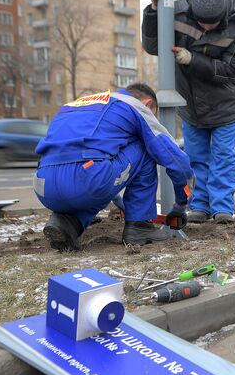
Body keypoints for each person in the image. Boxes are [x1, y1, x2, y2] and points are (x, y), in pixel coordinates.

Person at [33, 83, 194, 251]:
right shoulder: (134, 106)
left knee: (93, 173)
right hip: (88, 180)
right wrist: (182, 204)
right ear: (147, 104)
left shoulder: (77, 104)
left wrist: (124, 204)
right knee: (146, 146)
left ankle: (67, 223)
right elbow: (176, 160)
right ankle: (140, 226)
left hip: (44, 186)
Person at [142, 0, 235, 224]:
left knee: (223, 157)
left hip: (225, 104)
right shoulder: (178, 12)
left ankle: (222, 207)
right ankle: (200, 206)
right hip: (191, 103)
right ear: (193, 12)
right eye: (201, 21)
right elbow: (153, 45)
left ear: (222, 15)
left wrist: (192, 59)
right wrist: (153, 10)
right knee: (195, 157)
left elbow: (231, 70)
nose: (205, 26)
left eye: (211, 23)